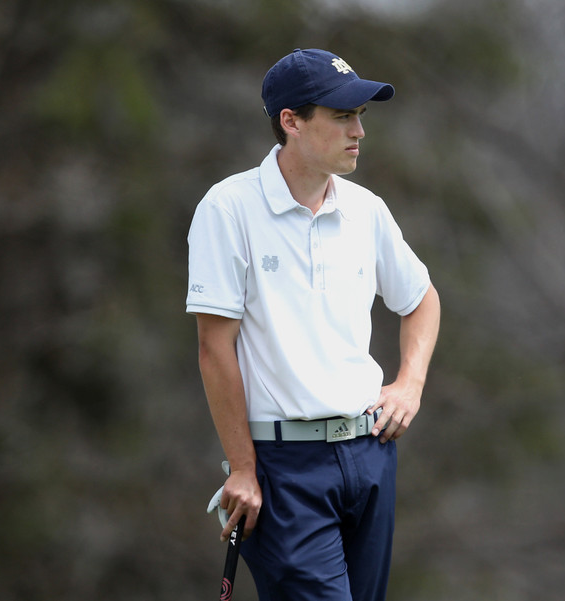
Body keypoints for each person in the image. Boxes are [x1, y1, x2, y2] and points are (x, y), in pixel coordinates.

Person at [186, 48, 440, 600]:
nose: (359, 133)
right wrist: (243, 469)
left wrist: (410, 383)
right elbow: (215, 349)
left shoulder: (367, 209)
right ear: (291, 122)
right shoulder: (228, 209)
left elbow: (420, 299)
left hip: (370, 453)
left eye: (361, 117)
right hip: (283, 467)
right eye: (343, 116)